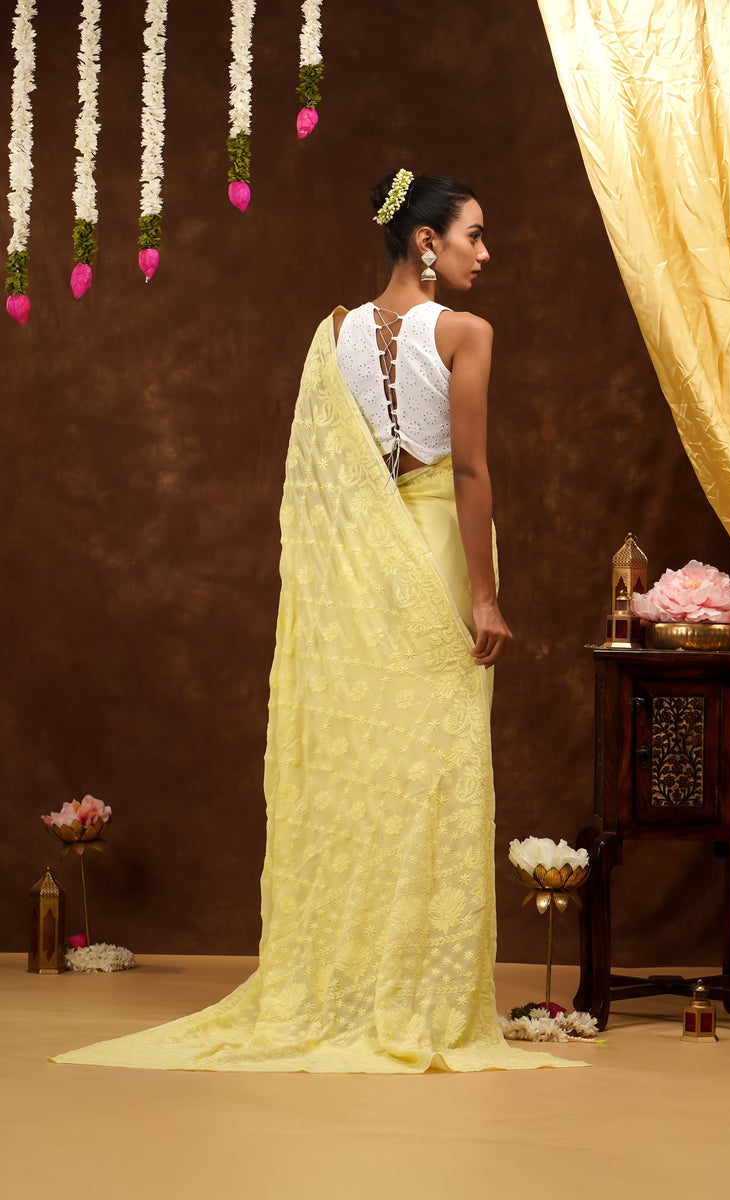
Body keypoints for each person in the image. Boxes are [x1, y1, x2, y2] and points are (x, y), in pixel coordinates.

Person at [50, 171, 580, 1074]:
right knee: (437, 769)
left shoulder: (329, 337)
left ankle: (352, 978)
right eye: (473, 236)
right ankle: (416, 991)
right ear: (425, 241)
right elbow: (467, 473)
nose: (484, 254)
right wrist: (486, 595)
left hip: (360, 573)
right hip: (434, 554)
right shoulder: (464, 332)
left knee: (369, 763)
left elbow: (318, 490)